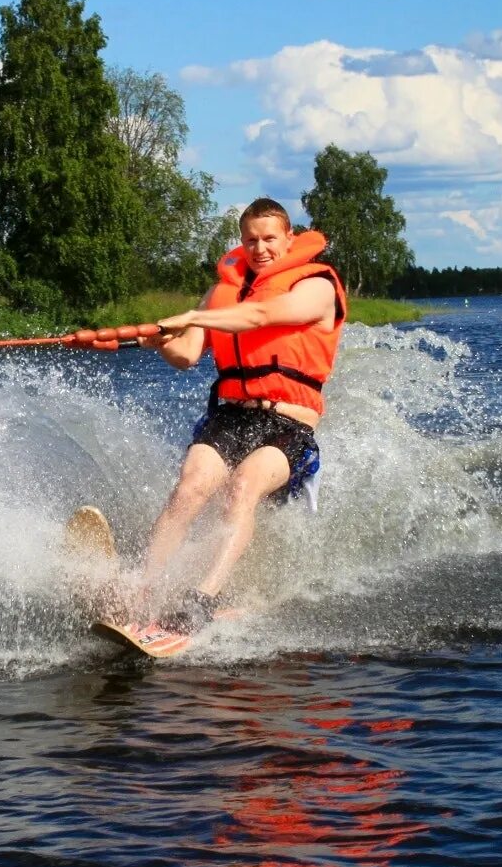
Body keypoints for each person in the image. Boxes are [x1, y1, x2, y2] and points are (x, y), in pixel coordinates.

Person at [130, 198, 346, 634]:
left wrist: (194, 313)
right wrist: (155, 341)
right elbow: (187, 354)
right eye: (251, 240)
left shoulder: (318, 285)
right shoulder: (224, 292)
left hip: (289, 425)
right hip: (230, 416)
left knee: (241, 487)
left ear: (289, 238)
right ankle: (142, 591)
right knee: (191, 488)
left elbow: (263, 314)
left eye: (270, 239)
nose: (260, 248)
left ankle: (202, 599)